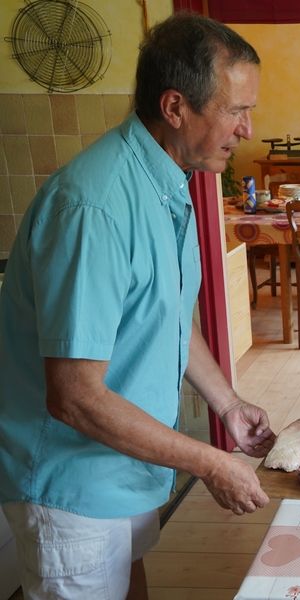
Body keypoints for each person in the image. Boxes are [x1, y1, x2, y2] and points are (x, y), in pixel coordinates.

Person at [0, 13, 276, 599]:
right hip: (74, 487)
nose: (247, 130)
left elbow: (167, 316)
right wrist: (209, 462)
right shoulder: (94, 208)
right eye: (235, 110)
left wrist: (227, 404)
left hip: (127, 466)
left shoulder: (168, 183)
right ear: (175, 107)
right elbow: (74, 395)